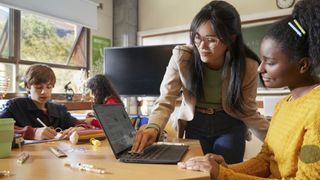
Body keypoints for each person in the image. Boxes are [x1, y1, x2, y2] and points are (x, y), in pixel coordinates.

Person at [178, 0, 320, 178]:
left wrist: (223, 174)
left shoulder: (316, 111)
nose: (260, 69)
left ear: (303, 65)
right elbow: (265, 160)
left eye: (270, 62)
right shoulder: (284, 105)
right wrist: (227, 169)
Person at [132, 0, 269, 164]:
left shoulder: (247, 66)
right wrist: (153, 127)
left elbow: (249, 111)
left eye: (211, 39)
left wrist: (276, 141)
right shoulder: (182, 57)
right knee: (195, 171)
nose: (202, 46)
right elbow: (165, 100)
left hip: (230, 123)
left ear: (231, 39)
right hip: (195, 123)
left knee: (227, 172)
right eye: (197, 37)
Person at [0, 64, 89, 140]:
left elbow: (84, 125)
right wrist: (32, 133)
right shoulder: (16, 106)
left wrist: (81, 129)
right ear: (28, 87)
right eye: (39, 87)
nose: (44, 92)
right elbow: (2, 129)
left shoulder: (59, 110)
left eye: (49, 87)